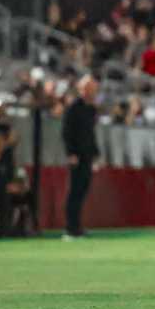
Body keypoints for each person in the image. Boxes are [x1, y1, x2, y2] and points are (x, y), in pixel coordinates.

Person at [61, 75, 100, 238]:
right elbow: (66, 132)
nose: (91, 91)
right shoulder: (73, 107)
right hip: (76, 156)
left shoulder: (91, 109)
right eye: (88, 88)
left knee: (82, 191)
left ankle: (77, 226)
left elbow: (90, 134)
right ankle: (71, 228)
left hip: (87, 155)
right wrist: (70, 153)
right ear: (81, 89)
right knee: (75, 192)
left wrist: (96, 153)